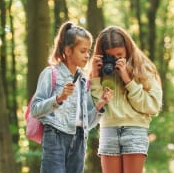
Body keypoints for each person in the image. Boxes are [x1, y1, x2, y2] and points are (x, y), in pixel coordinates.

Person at [30, 21, 113, 173]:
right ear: (68, 50)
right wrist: (59, 98)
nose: (87, 56)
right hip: (55, 138)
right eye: (83, 51)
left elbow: (89, 123)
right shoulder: (50, 74)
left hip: (80, 139)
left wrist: (100, 105)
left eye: (88, 51)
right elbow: (35, 110)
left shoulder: (83, 81)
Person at [89, 26, 163, 173]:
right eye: (110, 56)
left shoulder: (144, 68)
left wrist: (128, 80)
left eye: (119, 55)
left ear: (128, 49)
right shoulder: (100, 70)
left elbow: (153, 106)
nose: (115, 59)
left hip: (135, 129)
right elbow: (95, 107)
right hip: (108, 129)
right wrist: (95, 77)